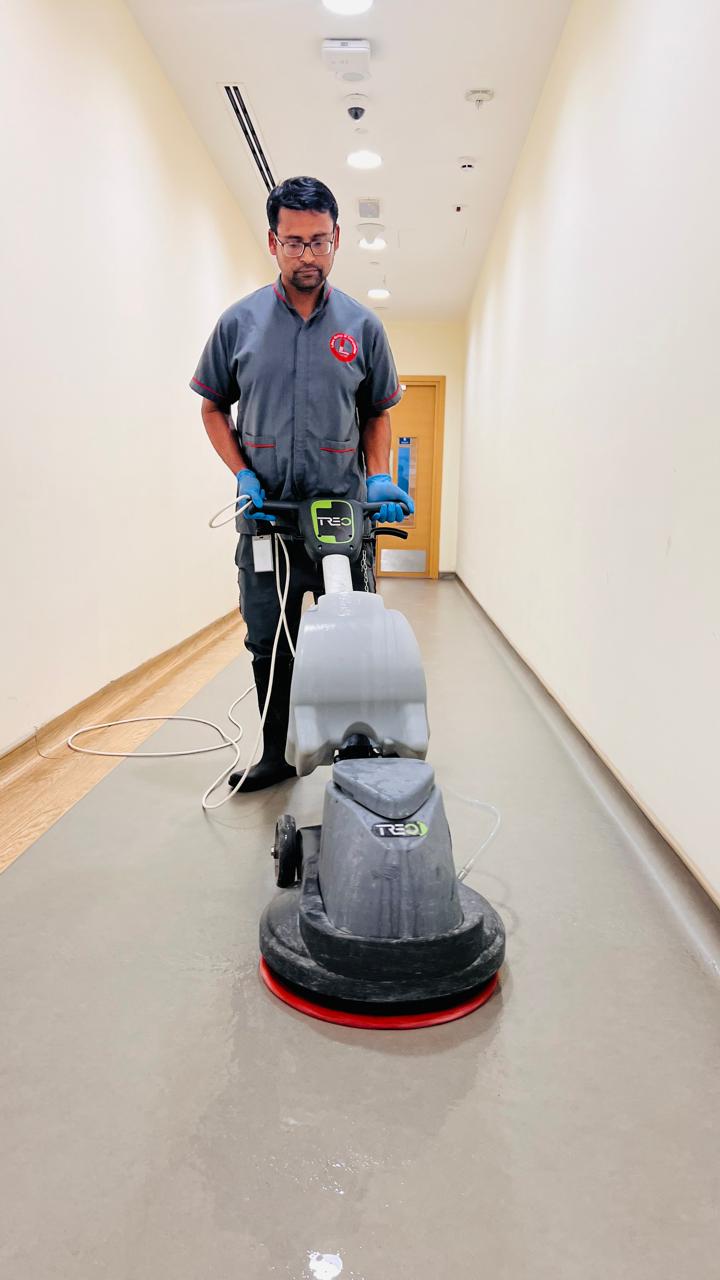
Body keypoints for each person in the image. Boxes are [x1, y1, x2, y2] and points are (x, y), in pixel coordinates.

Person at [190, 175, 413, 791]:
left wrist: (378, 479)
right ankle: (275, 755)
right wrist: (241, 474)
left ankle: (362, 751)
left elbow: (377, 411)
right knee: (270, 643)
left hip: (340, 513)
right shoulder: (239, 324)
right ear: (273, 242)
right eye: (294, 242)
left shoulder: (362, 327)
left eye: (318, 241)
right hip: (267, 517)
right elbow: (212, 406)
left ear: (337, 239)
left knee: (356, 639)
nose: (307, 254)